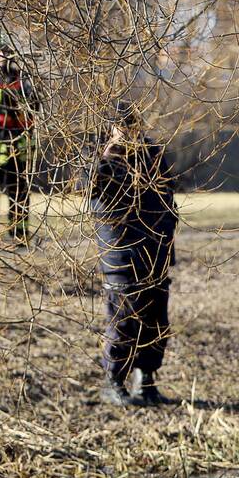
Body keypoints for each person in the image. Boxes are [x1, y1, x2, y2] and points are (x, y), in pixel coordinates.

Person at [88, 103, 177, 406]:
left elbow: (168, 196)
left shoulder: (152, 155)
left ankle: (146, 382)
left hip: (157, 254)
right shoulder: (102, 160)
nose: (129, 132)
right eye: (122, 126)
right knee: (124, 321)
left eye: (132, 125)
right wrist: (107, 154)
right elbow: (90, 192)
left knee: (156, 321)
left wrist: (166, 238)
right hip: (122, 258)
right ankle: (114, 381)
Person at [0, 40, 37, 244]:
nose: (4, 56)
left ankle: (20, 234)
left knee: (19, 194)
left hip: (17, 145)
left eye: (7, 52)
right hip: (0, 142)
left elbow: (34, 109)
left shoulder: (23, 81)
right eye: (1, 52)